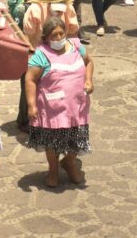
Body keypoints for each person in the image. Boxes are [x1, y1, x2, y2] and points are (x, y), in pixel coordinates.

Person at [24, 15, 93, 188]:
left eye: (61, 33)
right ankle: (53, 170)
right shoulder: (41, 54)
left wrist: (89, 80)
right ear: (46, 37)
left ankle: (69, 162)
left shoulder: (77, 47)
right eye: (54, 35)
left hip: (77, 106)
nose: (58, 38)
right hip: (52, 108)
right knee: (52, 142)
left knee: (76, 138)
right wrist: (31, 105)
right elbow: (30, 79)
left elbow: (89, 63)